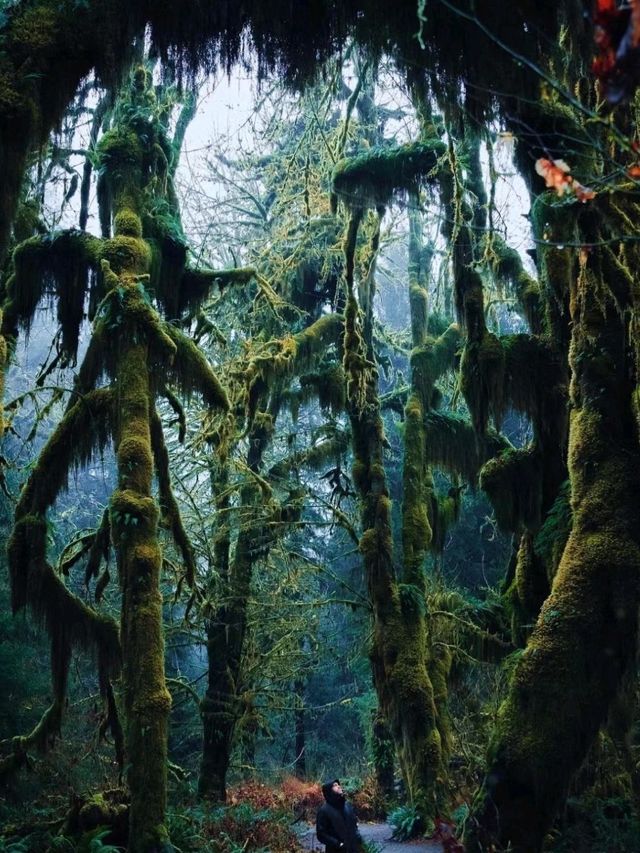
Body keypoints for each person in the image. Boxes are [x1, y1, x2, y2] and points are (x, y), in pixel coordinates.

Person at [316, 778, 364, 853]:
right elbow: (321, 834)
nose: (339, 786)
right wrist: (338, 844)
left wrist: (357, 837)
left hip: (353, 849)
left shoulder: (347, 806)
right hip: (335, 850)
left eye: (339, 785)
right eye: (335, 785)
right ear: (329, 790)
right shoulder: (324, 811)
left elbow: (354, 824)